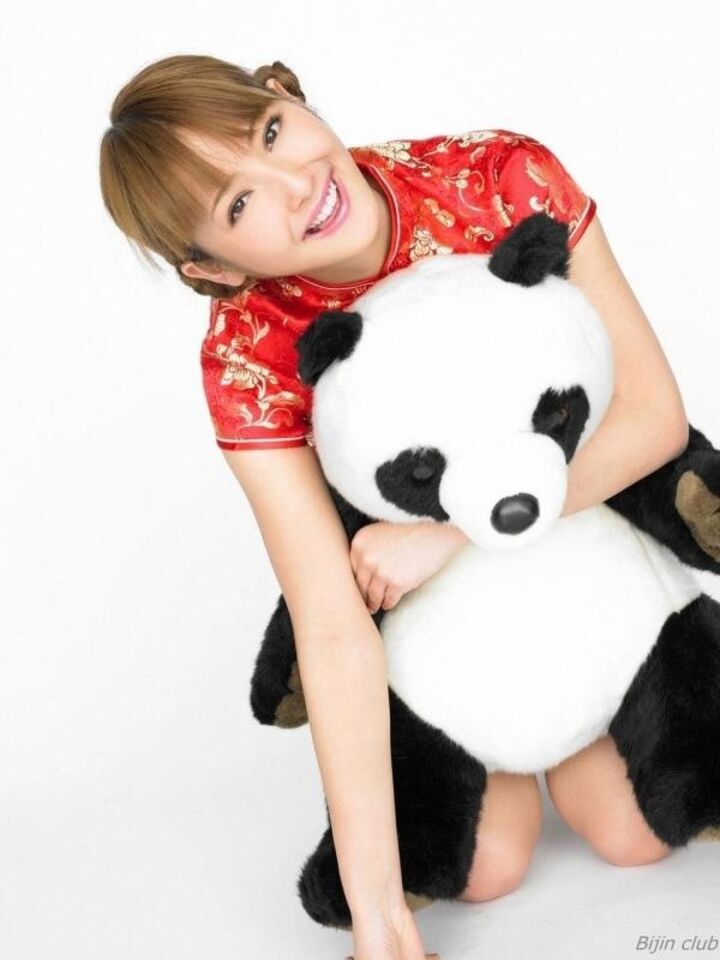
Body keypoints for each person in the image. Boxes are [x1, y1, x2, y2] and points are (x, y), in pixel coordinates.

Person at [99, 54, 719, 960]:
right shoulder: (248, 353)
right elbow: (329, 620)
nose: (297, 184)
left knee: (634, 831)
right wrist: (380, 923)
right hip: (446, 631)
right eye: (238, 205)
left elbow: (652, 417)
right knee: (488, 865)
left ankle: (608, 704)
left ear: (285, 95)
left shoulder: (496, 176)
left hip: (575, 545)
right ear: (213, 268)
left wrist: (453, 531)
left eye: (271, 133)